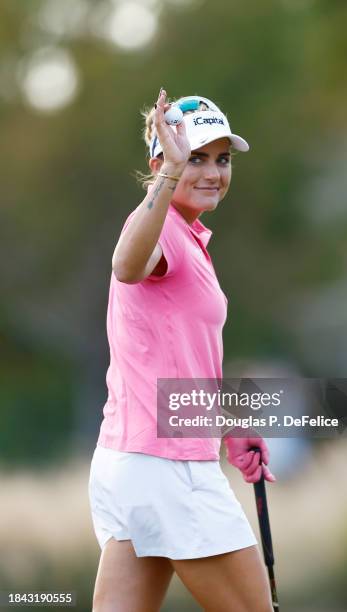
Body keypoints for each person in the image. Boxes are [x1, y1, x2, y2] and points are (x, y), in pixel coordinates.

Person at [88, 88, 276, 612]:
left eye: (221, 159)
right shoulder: (157, 228)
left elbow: (179, 361)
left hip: (131, 464)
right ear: (160, 160)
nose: (213, 172)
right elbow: (126, 265)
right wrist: (169, 177)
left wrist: (229, 422)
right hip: (167, 468)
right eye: (195, 157)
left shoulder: (188, 236)